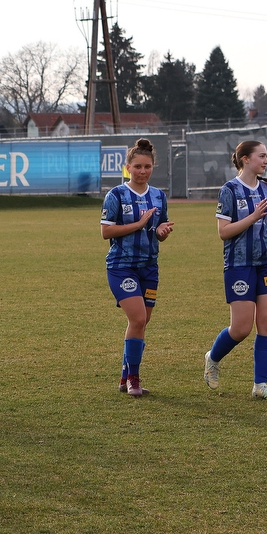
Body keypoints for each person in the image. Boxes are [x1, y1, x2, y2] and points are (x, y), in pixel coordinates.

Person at [203, 140, 267, 400]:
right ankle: (212, 358)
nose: (266, 161)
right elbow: (223, 233)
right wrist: (252, 217)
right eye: (261, 156)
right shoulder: (229, 190)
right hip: (239, 264)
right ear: (245, 159)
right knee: (241, 329)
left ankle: (261, 385)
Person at [100, 138, 175, 397]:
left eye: (148, 167)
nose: (143, 171)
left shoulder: (158, 196)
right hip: (121, 266)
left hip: (149, 268)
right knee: (138, 318)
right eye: (138, 167)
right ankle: (134, 378)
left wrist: (162, 231)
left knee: (143, 322)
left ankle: (124, 376)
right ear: (128, 168)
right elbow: (106, 231)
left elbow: (159, 230)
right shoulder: (116, 195)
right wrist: (139, 224)